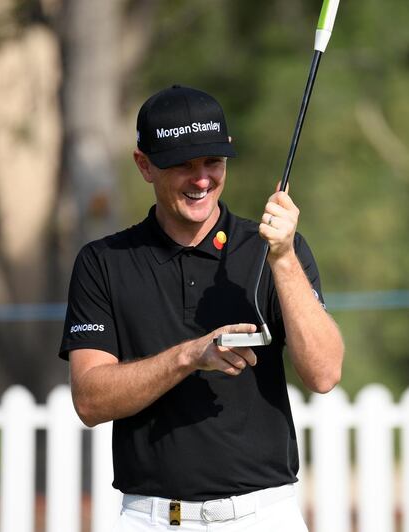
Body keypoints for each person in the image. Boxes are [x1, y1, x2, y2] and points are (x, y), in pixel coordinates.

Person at [59, 85, 344, 531]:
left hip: (263, 515)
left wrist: (284, 259)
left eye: (212, 161)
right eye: (183, 164)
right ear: (144, 165)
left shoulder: (271, 248)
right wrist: (191, 356)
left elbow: (324, 373)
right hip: (152, 517)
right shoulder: (103, 262)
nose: (202, 179)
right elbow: (90, 401)